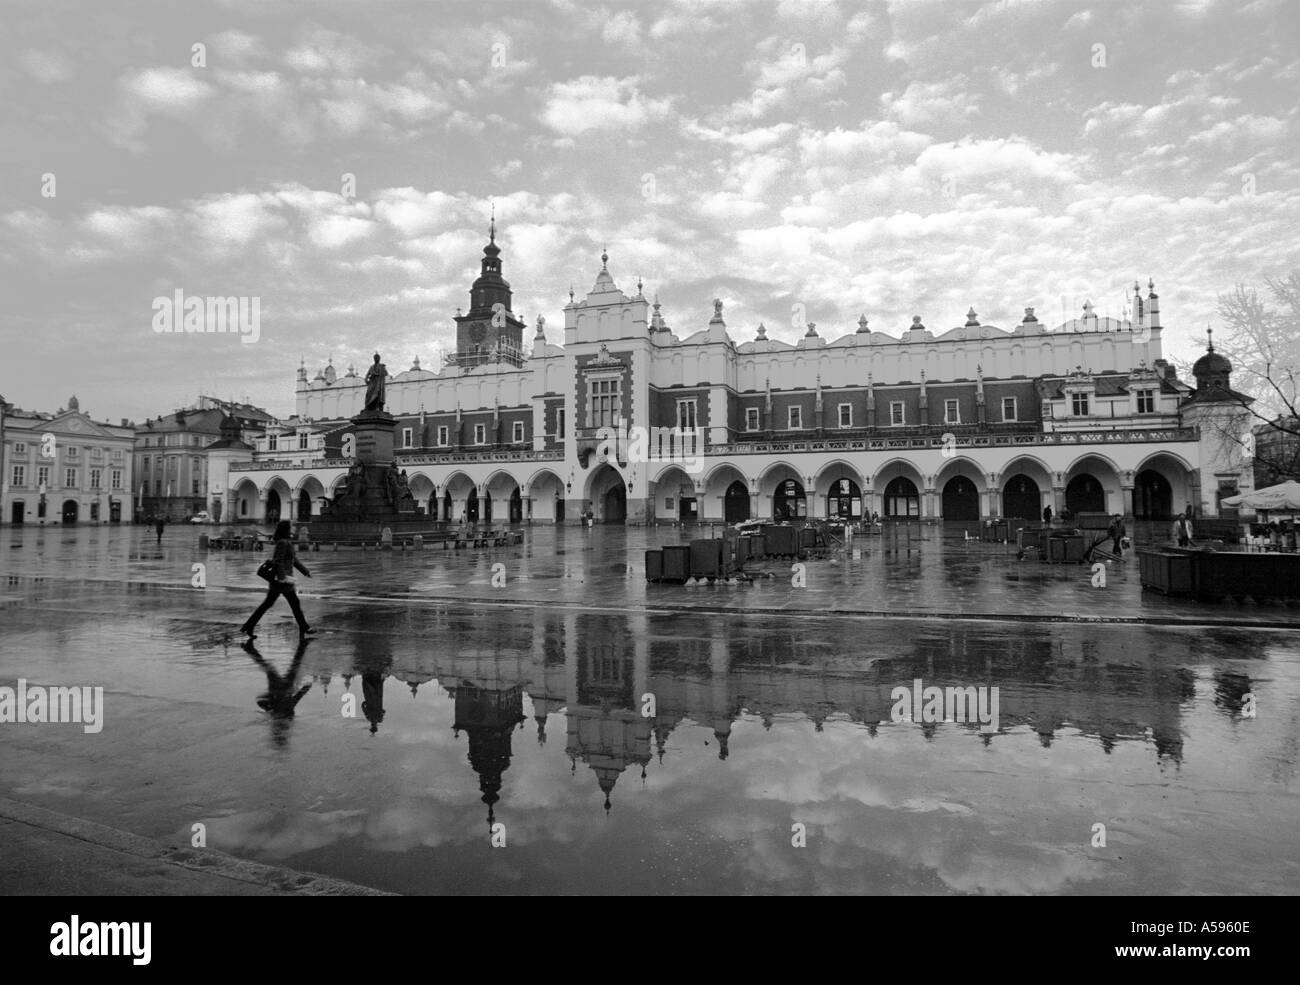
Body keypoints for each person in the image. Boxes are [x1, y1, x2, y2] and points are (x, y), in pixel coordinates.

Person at [240, 520, 314, 637]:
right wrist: (282, 577)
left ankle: (248, 626)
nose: (294, 528)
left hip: (282, 580)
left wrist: (305, 572)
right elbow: (278, 561)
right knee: (294, 604)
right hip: (282, 581)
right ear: (287, 529)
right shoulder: (283, 543)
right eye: (292, 527)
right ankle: (304, 627)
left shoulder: (286, 542)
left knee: (269, 605)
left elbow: (293, 560)